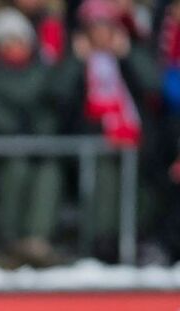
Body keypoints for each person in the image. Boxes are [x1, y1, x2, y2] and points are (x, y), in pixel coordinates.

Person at [49, 0, 158, 261]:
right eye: (94, 27)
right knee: (105, 177)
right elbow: (58, 96)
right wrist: (77, 61)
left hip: (137, 140)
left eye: (106, 27)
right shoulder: (75, 59)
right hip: (92, 140)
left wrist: (127, 55)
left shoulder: (130, 55)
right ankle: (104, 243)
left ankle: (137, 238)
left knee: (145, 181)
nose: (100, 33)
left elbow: (152, 85)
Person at [0, 7, 62, 265]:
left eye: (19, 40)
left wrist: (37, 132)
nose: (14, 46)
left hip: (38, 146)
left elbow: (50, 108)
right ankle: (10, 240)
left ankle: (36, 240)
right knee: (15, 171)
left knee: (49, 173)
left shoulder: (43, 72)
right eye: (8, 41)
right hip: (3, 149)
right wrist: (18, 130)